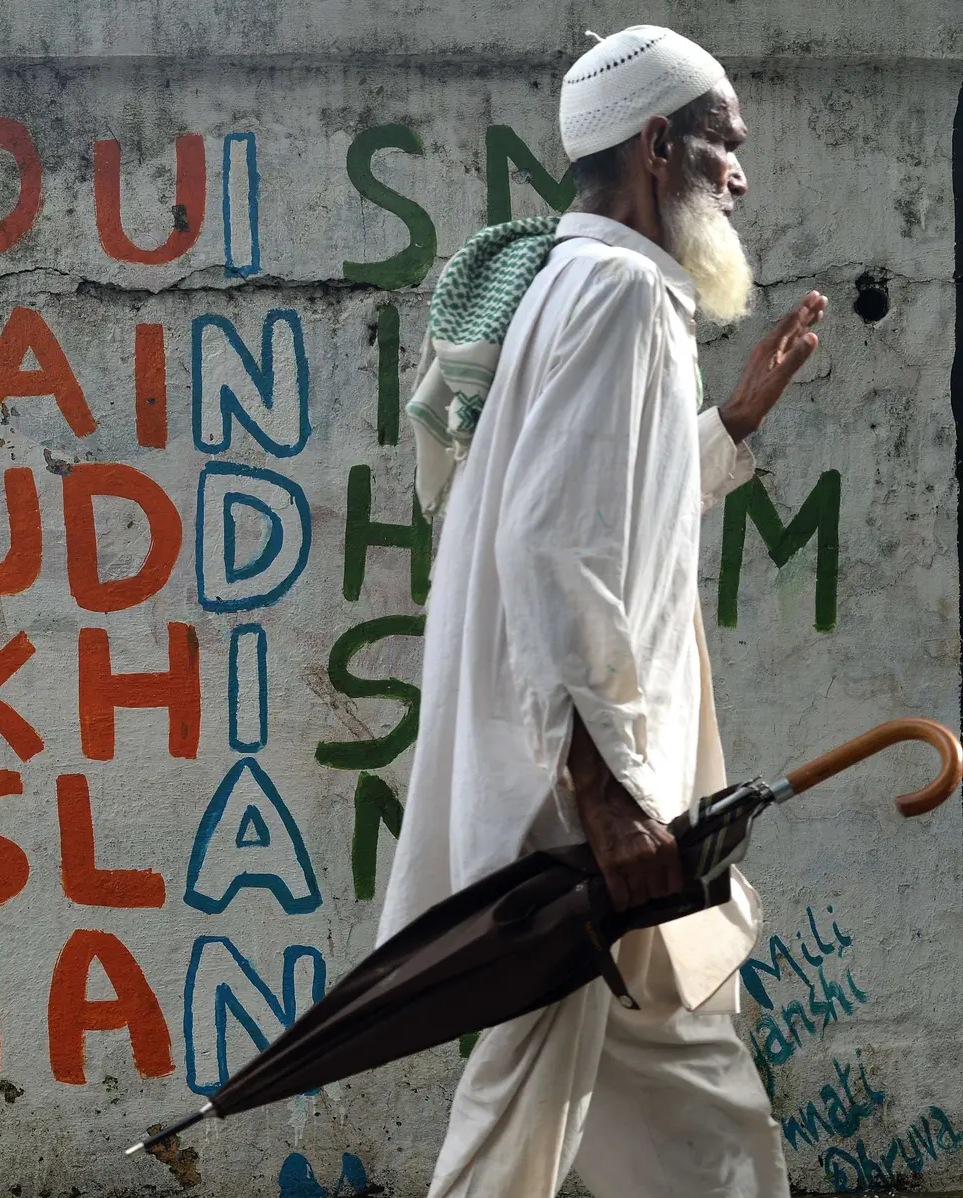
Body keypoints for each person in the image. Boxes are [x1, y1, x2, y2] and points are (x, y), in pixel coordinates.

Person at [381, 26, 827, 1198]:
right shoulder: (622, 294)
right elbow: (554, 549)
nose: (739, 171)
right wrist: (609, 797)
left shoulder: (582, 287)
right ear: (655, 141)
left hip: (591, 799)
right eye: (722, 144)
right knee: (671, 1121)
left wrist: (731, 425)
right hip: (589, 814)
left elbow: (610, 509)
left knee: (617, 1116)